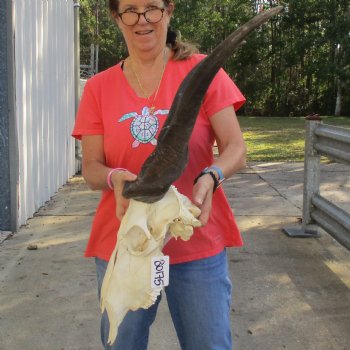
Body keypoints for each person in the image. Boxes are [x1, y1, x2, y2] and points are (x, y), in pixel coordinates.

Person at [72, 0, 246, 349]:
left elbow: (235, 148)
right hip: (126, 240)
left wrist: (211, 175)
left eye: (151, 8)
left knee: (208, 343)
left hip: (194, 238)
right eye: (130, 10)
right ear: (116, 17)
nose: (142, 20)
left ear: (168, 10)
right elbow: (91, 167)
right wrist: (116, 178)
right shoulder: (99, 88)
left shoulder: (202, 71)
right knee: (121, 343)